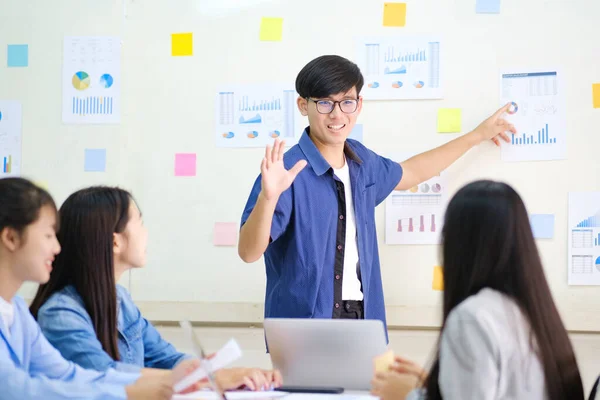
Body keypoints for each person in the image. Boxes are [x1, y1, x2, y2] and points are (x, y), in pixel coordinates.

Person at [238, 55, 516, 328]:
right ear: (303, 105)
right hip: (303, 325)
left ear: (358, 105)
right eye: (324, 103)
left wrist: (477, 136)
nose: (337, 115)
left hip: (362, 317)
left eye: (346, 102)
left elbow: (413, 172)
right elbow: (249, 252)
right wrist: (268, 198)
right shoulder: (286, 171)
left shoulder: (362, 163)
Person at [30, 186, 282, 392]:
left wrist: (218, 372)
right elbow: (104, 375)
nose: (146, 232)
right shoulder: (60, 313)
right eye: (140, 222)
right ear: (115, 241)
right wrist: (206, 378)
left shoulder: (121, 300)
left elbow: (167, 359)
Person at [370, 180, 585, 400]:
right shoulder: (535, 311)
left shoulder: (472, 317)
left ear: (458, 244)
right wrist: (433, 384)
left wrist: (409, 395)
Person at [0, 177, 199, 400]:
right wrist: (157, 387)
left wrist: (197, 374)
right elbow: (18, 390)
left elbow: (67, 374)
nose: (56, 247)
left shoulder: (15, 308)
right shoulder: (60, 312)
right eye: (48, 235)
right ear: (11, 237)